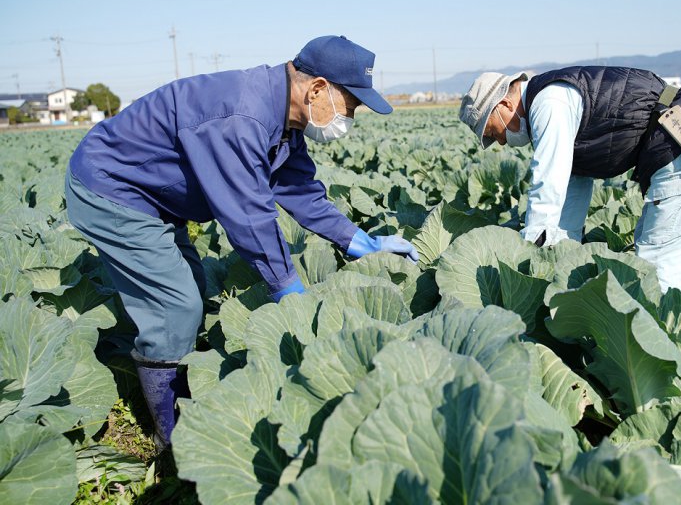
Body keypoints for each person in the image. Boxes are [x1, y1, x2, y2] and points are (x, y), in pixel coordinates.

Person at [65, 35, 418, 449]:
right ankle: (170, 438)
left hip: (155, 194)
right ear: (318, 88)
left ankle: (176, 382)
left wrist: (360, 241)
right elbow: (249, 216)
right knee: (176, 305)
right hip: (113, 188)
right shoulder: (241, 117)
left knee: (191, 288)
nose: (349, 117)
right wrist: (289, 291)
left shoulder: (283, 119)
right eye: (350, 106)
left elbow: (300, 190)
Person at [459, 66, 681, 305]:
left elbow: (549, 180)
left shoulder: (549, 101)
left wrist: (529, 253)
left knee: (663, 261)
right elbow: (571, 187)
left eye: (494, 132)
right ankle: (673, 336)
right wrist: (560, 251)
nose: (502, 142)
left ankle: (671, 348)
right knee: (663, 255)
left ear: (505, 105)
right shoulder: (557, 99)